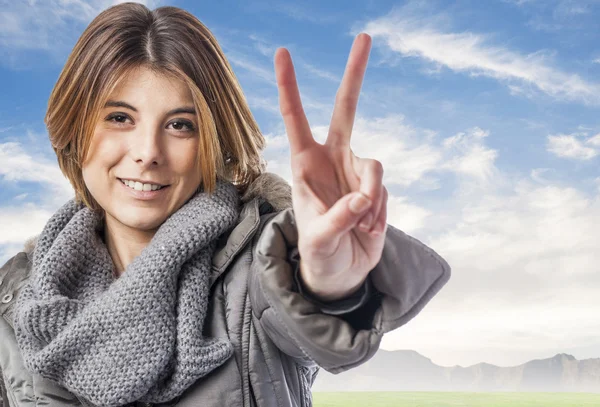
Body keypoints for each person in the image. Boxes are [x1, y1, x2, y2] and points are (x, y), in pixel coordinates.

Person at [0, 3, 451, 407]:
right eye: (120, 118)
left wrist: (329, 285)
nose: (148, 152)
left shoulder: (261, 265)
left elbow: (302, 313)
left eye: (180, 125)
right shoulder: (15, 299)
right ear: (74, 131)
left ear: (215, 142)